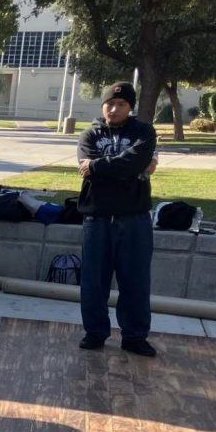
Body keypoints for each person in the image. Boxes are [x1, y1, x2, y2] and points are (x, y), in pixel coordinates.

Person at [76, 81, 159, 357]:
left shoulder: (143, 131)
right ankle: (95, 332)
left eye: (121, 104)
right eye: (109, 103)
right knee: (93, 280)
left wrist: (99, 167)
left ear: (130, 107)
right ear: (102, 105)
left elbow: (136, 160)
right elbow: (128, 165)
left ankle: (134, 336)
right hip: (97, 217)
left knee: (135, 279)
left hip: (133, 216)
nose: (114, 108)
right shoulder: (90, 135)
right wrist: (128, 168)